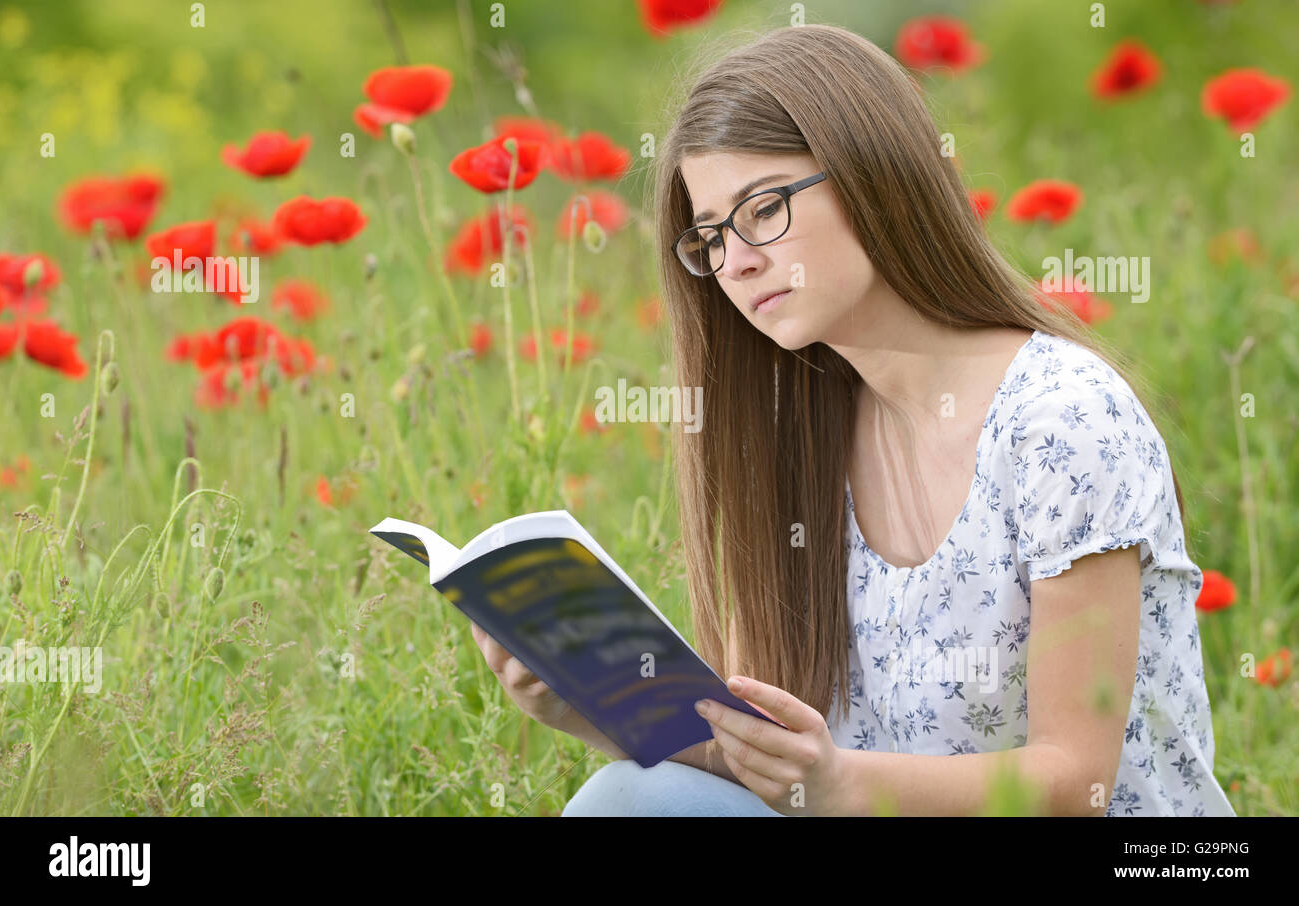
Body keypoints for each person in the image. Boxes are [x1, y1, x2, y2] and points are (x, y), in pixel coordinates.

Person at [478, 22, 1235, 817]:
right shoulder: (799, 436)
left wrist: (838, 783)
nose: (735, 261)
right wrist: (597, 712)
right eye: (708, 236)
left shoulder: (1062, 420)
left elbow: (1072, 785)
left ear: (876, 175)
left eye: (762, 209)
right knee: (628, 797)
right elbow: (777, 760)